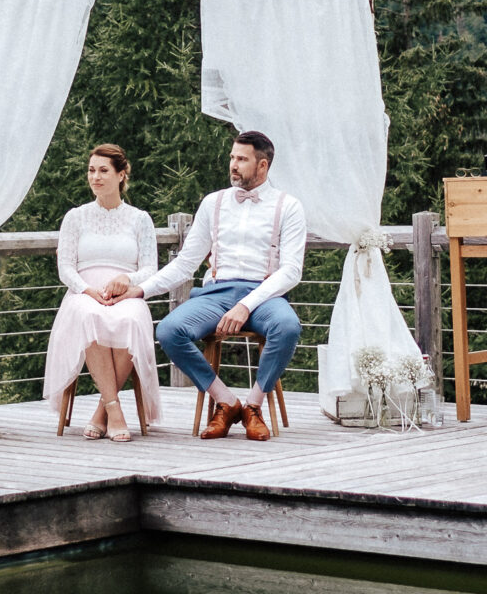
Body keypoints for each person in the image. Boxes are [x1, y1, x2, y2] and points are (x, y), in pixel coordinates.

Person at [107, 129, 305, 441]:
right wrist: (141, 289)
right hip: (216, 293)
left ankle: (253, 405)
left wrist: (246, 305)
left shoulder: (289, 206)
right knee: (170, 331)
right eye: (232, 157)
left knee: (288, 327)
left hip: (264, 296)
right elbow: (186, 263)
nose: (233, 164)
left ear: (263, 166)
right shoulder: (214, 203)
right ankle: (226, 402)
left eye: (241, 159)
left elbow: (291, 271)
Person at [43, 144, 161, 441]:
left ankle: (101, 411)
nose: (95, 177)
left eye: (103, 171)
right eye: (91, 170)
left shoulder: (140, 219)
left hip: (125, 294)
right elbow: (65, 267)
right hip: (85, 293)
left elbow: (150, 267)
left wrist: (127, 278)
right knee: (89, 316)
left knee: (132, 320)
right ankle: (113, 408)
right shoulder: (75, 217)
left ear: (122, 175)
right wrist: (86, 289)